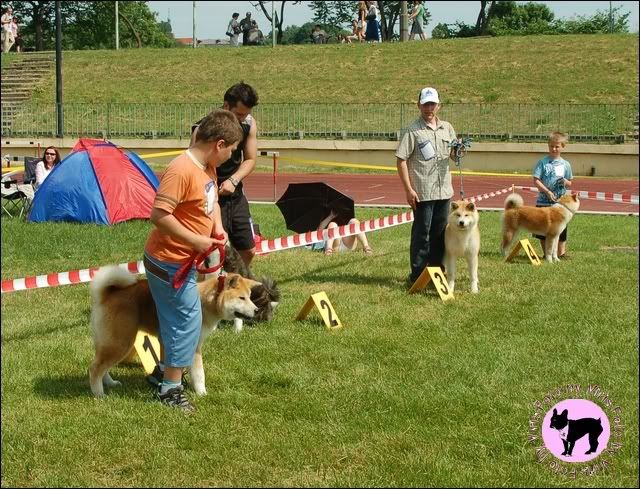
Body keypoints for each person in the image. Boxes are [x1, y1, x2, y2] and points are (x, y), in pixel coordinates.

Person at [144, 110, 243, 412]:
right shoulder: (181, 170)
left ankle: (163, 373)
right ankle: (170, 389)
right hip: (170, 262)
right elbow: (159, 215)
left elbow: (211, 203)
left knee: (177, 320)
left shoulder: (207, 168)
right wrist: (195, 240)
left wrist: (218, 228)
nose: (231, 156)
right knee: (187, 323)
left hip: (183, 260)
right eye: (231, 150)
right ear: (219, 144)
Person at [191, 82, 259, 267]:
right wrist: (211, 188)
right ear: (226, 106)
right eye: (239, 114)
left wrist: (233, 180)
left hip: (235, 194)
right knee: (214, 251)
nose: (242, 119)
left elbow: (250, 160)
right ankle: (214, 280)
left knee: (248, 250)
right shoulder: (203, 129)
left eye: (246, 114)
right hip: (210, 196)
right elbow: (194, 165)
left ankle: (235, 280)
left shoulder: (249, 123)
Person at [396, 86, 458, 285]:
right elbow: (401, 160)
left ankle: (436, 274)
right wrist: (409, 190)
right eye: (425, 104)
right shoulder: (412, 130)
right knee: (422, 234)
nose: (429, 108)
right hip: (422, 191)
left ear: (439, 106)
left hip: (443, 191)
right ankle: (417, 275)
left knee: (440, 234)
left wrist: (459, 150)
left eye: (432, 104)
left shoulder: (447, 128)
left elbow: (454, 156)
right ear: (419, 105)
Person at [532, 131, 574, 259]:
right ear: (548, 146)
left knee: (561, 229)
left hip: (560, 204)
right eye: (551, 146)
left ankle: (561, 253)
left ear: (563, 147)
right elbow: (536, 180)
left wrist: (566, 182)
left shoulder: (566, 164)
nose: (554, 149)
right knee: (542, 230)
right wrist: (547, 192)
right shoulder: (542, 162)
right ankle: (546, 253)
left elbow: (570, 182)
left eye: (557, 146)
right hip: (543, 202)